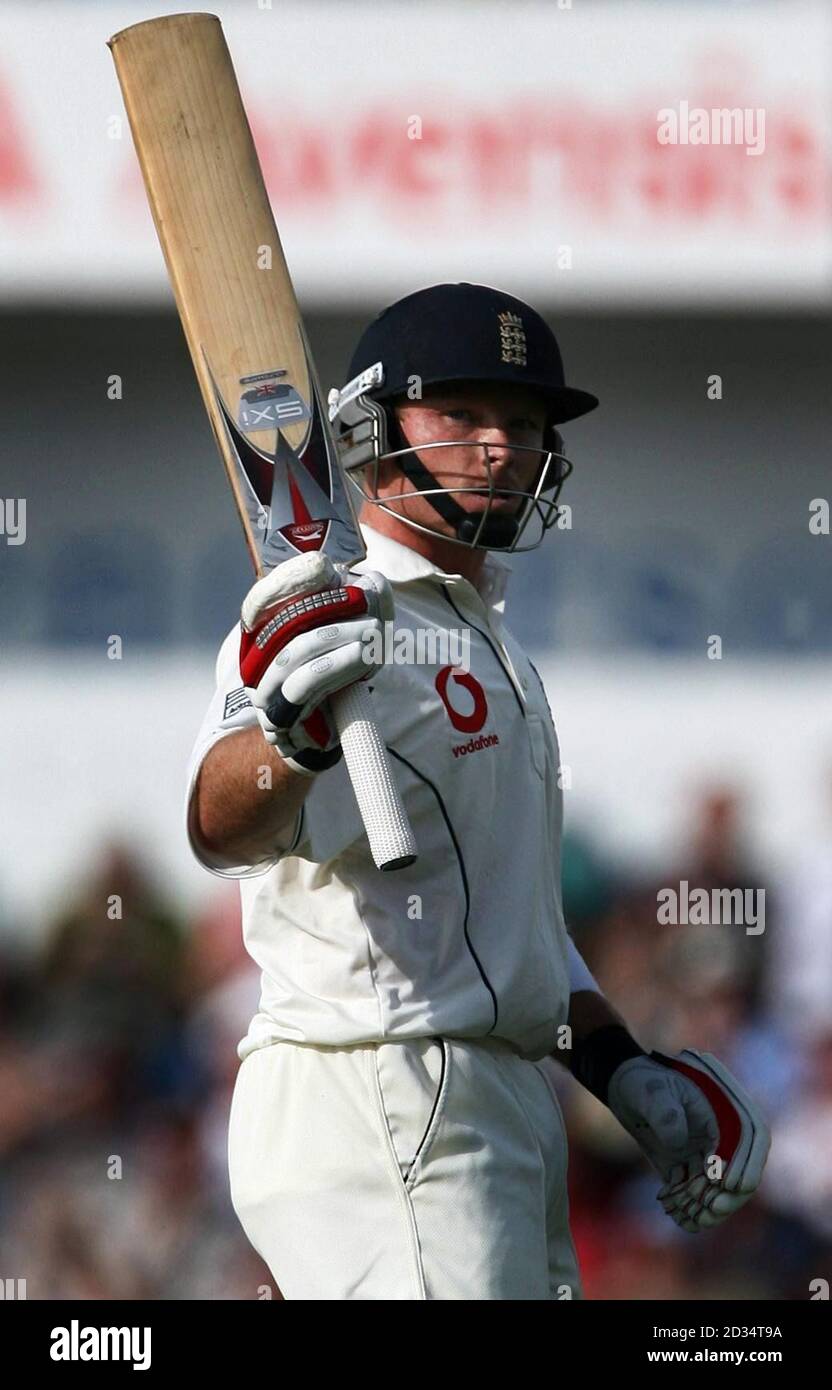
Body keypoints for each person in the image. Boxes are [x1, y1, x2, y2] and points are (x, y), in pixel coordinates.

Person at [186, 283, 770, 1300]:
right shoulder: (327, 612)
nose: (501, 446)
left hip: (495, 1097)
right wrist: (287, 738)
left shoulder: (485, 635)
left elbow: (513, 935)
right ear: (370, 429)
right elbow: (214, 823)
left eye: (524, 423)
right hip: (377, 1081)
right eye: (460, 414)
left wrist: (621, 1070)